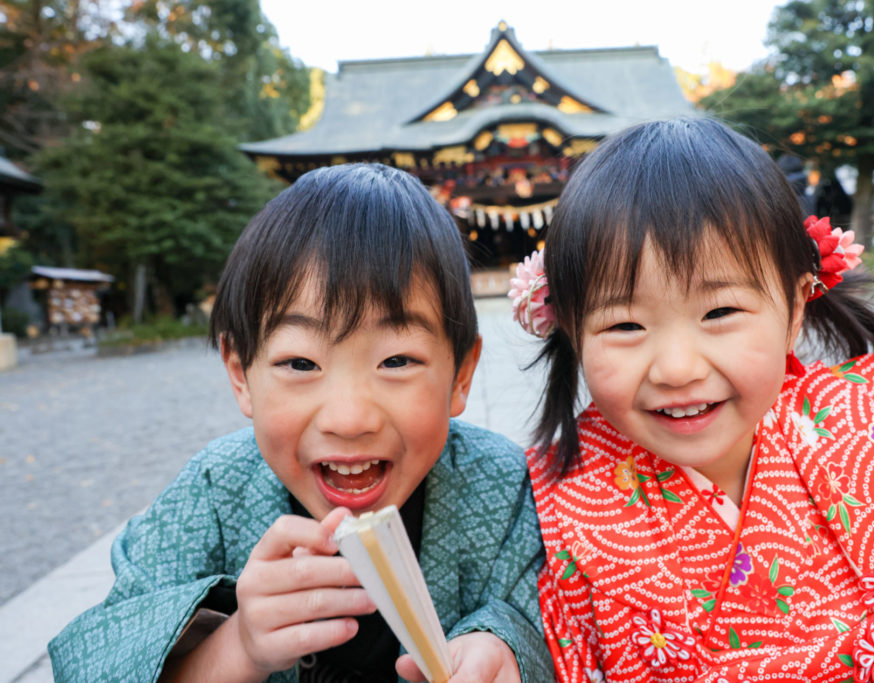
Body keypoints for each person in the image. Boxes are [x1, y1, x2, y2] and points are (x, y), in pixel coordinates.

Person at [510, 118, 874, 681]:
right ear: (572, 330)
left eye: (720, 312)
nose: (678, 369)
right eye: (626, 325)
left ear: (795, 308)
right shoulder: (558, 503)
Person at [48, 164, 553, 683]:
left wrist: (504, 649)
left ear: (461, 375)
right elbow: (97, 657)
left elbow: (555, 625)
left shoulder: (504, 487)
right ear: (240, 373)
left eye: (397, 361)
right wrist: (239, 645)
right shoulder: (215, 491)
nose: (349, 419)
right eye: (301, 363)